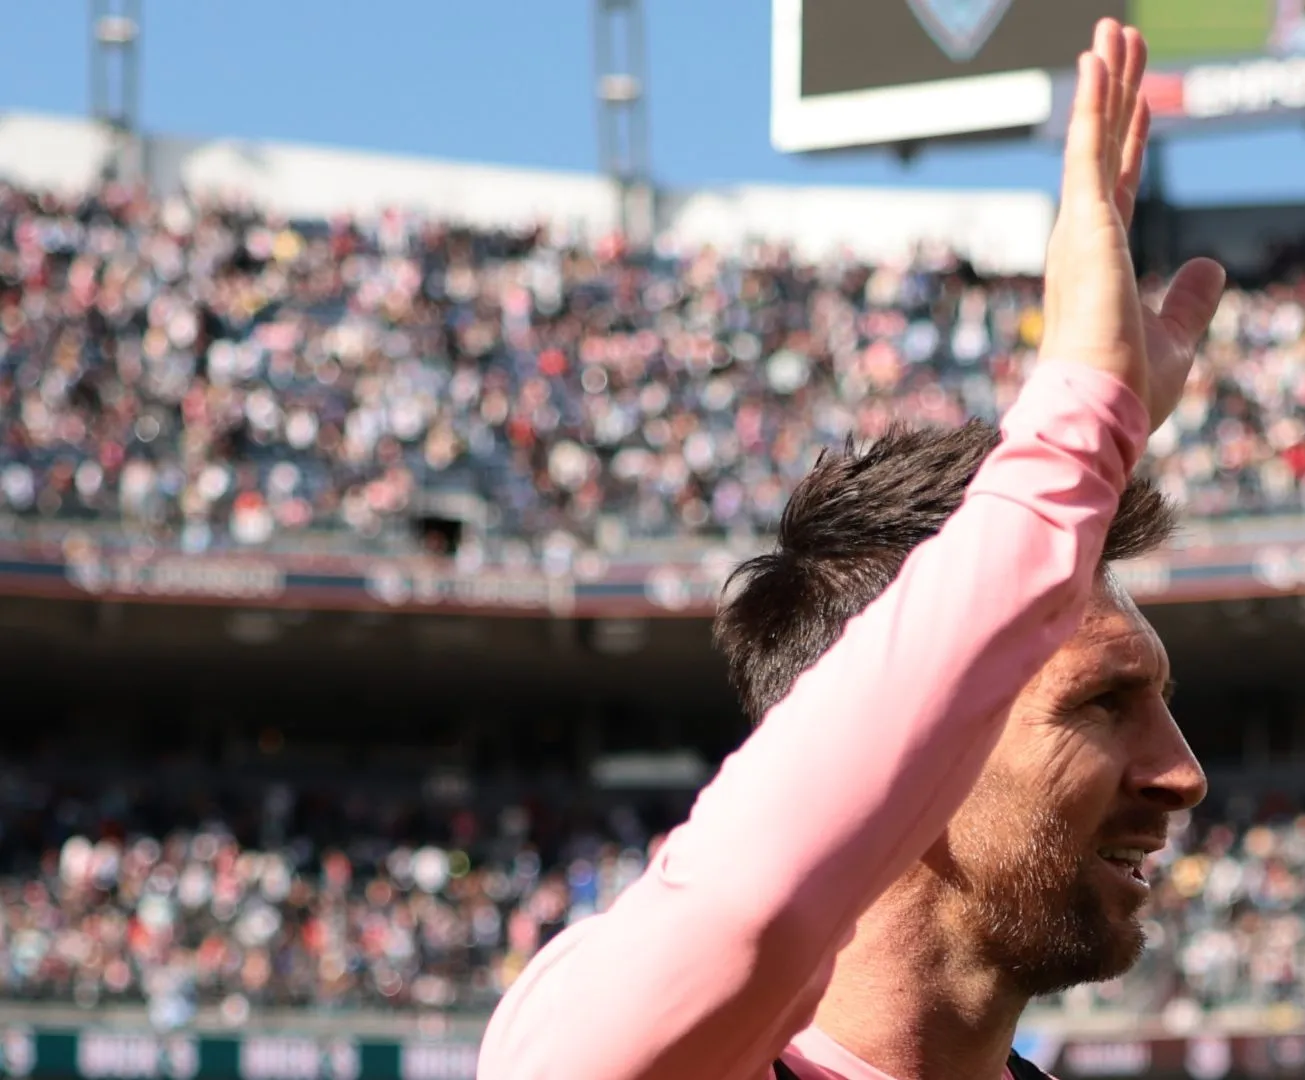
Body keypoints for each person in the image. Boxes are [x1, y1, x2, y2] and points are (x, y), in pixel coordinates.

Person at [475, 20, 1227, 1080]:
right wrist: (1073, 434)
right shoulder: (593, 1046)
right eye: (1103, 702)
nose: (1181, 773)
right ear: (925, 739)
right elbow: (749, 914)